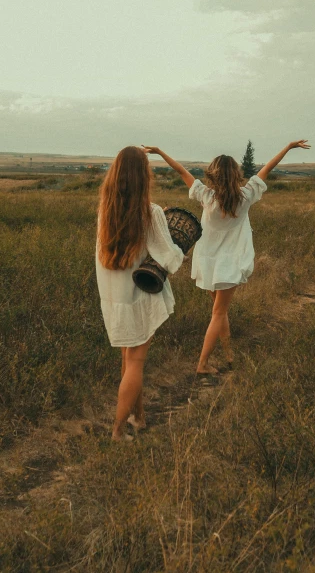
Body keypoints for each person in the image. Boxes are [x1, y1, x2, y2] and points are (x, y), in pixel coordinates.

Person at [142, 141, 310, 375]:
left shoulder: (206, 196)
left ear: (213, 175)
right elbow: (267, 169)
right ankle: (202, 364)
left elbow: (181, 171)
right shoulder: (246, 196)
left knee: (219, 310)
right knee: (219, 312)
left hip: (208, 261)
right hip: (229, 263)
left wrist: (159, 152)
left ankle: (229, 354)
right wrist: (288, 147)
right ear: (236, 175)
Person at [96, 146, 184, 441]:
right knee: (135, 363)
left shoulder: (105, 209)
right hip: (140, 297)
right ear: (143, 176)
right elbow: (168, 256)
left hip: (115, 298)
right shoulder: (151, 212)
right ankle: (118, 431)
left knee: (128, 359)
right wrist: (179, 251)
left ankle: (138, 416)